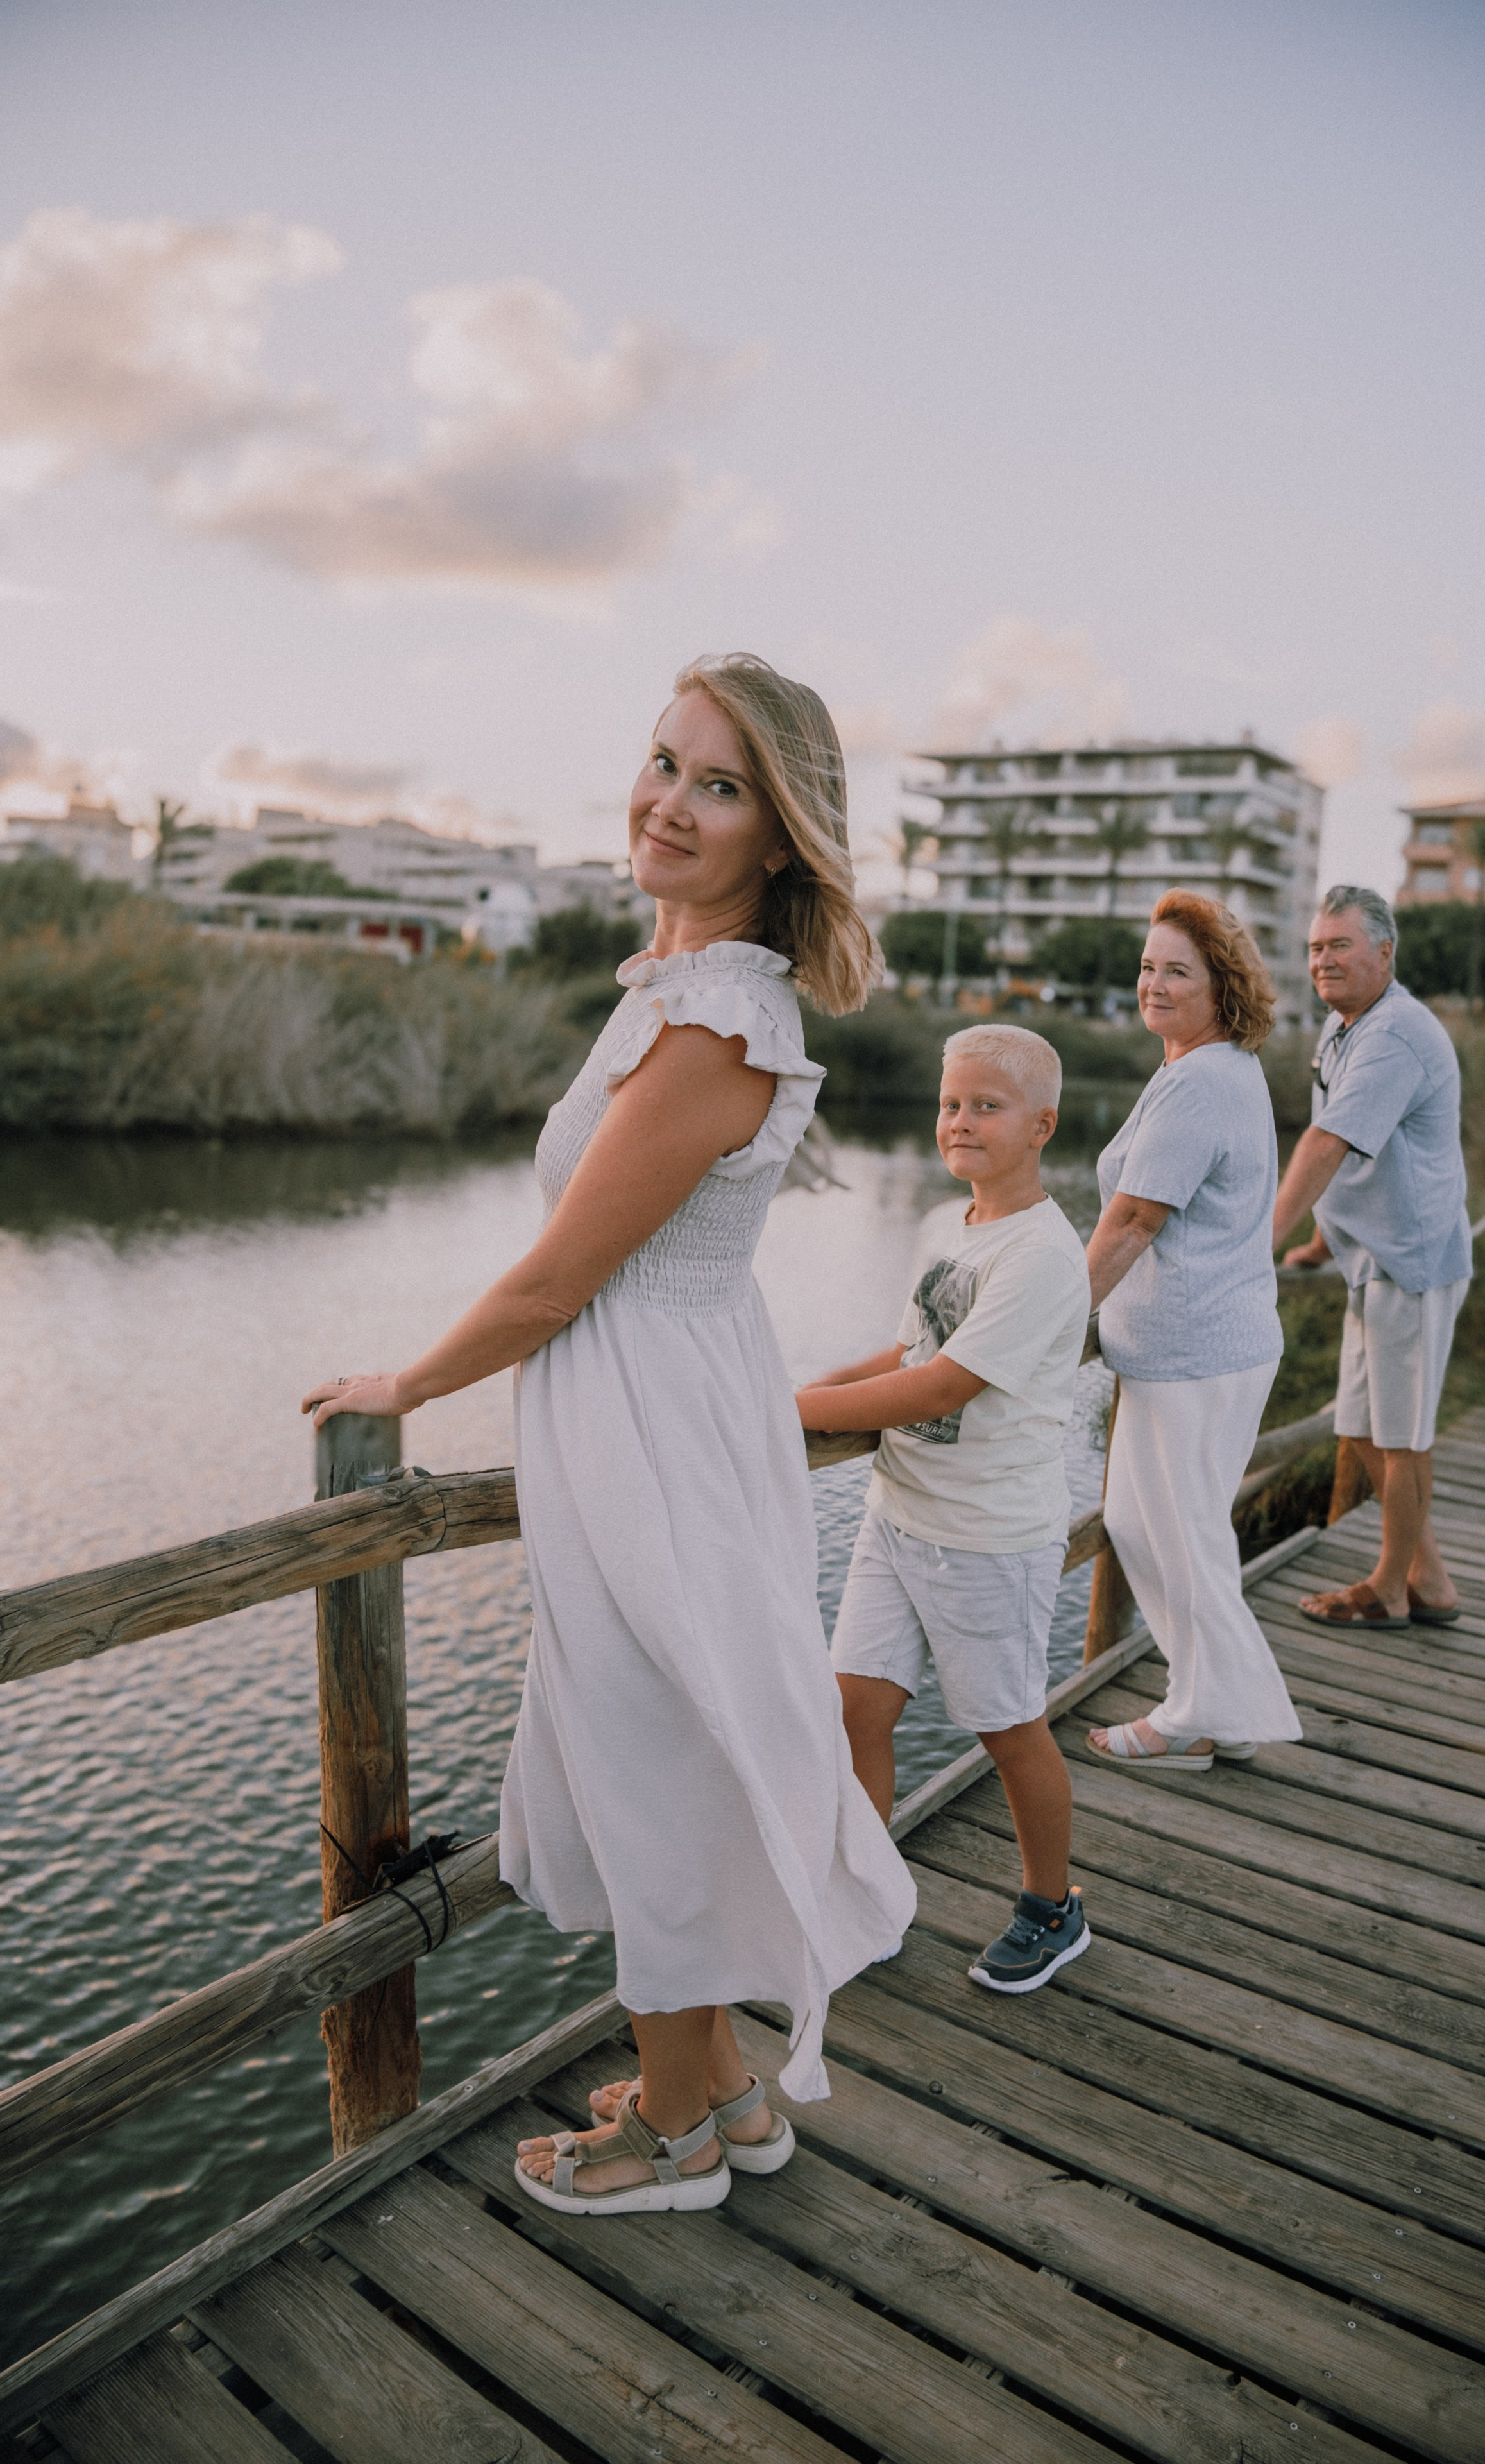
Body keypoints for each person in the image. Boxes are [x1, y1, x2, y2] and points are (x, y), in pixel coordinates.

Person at [303, 653, 914, 2218]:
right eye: (662, 762)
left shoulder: (714, 1019)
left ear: (779, 838)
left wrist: (406, 1384)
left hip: (647, 1417)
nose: (667, 802)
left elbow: (563, 1273)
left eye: (719, 785)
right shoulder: (686, 988)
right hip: (664, 1396)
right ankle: (706, 2094)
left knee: (650, 1752)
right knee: (673, 1736)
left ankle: (669, 2146)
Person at [795, 1025, 1094, 1994]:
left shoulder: (1044, 1255)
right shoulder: (947, 1225)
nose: (960, 1122)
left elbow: (939, 1391)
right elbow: (906, 1353)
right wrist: (807, 1389)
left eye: (987, 1106)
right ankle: (866, 1900)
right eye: (950, 1104)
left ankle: (1054, 1909)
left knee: (1008, 1728)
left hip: (988, 1536)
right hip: (898, 1515)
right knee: (856, 1707)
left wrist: (786, 1415)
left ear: (1042, 1125)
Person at [1083, 891, 1302, 1770]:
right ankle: (1222, 1707)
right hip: (1189, 1349)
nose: (1155, 983)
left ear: (1222, 985)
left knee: (1182, 1534)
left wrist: (1045, 1324)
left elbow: (1133, 1220)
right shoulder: (1201, 1070)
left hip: (1199, 1351)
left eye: (1178, 970)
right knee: (1143, 1526)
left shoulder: (1203, 1082)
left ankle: (1193, 1717)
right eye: (1148, 967)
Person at [1273, 885, 1470, 1629]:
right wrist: (1322, 1240)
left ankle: (1390, 1588)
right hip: (1368, 1262)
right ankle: (1432, 1580)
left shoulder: (1394, 1035)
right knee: (1358, 1429)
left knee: (1401, 1437)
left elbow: (1324, 1144)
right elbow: (1351, 1139)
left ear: (1384, 952)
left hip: (1412, 1265)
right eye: (1317, 948)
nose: (1323, 960)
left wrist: (1259, 1241)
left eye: (1340, 946)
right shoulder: (1343, 1026)